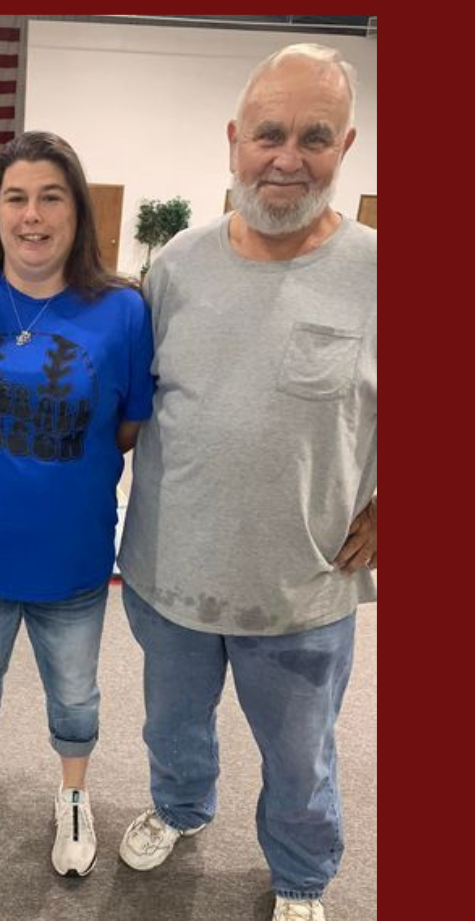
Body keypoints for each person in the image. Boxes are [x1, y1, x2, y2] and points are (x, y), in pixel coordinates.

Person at [116, 44, 376, 921]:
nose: (286, 156)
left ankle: (301, 874)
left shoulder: (383, 273)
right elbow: (127, 398)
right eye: (268, 133)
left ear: (345, 145)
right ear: (233, 140)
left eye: (314, 136)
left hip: (300, 587)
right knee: (172, 729)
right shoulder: (175, 267)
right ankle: (181, 809)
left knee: (299, 755)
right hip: (169, 570)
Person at [0, 131, 155, 876]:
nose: (32, 214)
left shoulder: (121, 312)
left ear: (76, 212)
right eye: (16, 197)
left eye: (51, 196)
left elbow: (128, 423)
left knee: (75, 693)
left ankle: (71, 794)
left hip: (72, 553)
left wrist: (48, 457)